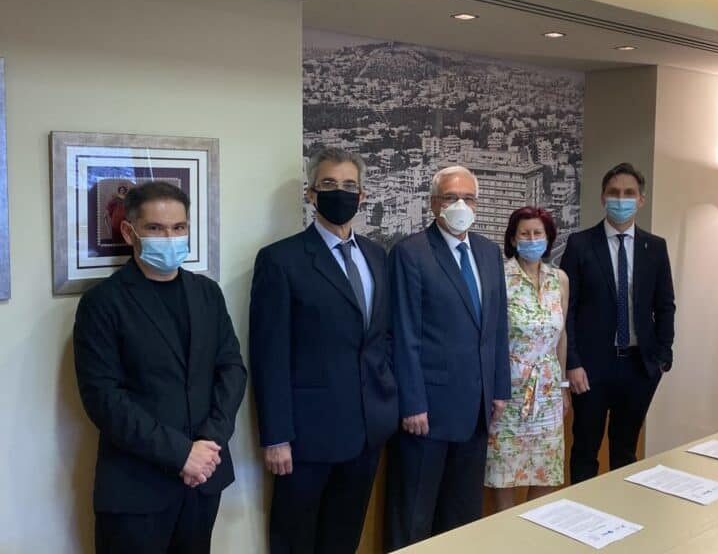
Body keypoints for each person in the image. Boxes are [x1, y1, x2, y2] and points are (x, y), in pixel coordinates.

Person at [74, 181, 247, 554]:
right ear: (129, 232)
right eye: (155, 228)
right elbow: (104, 399)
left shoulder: (207, 293)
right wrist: (181, 454)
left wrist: (209, 444)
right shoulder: (102, 303)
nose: (170, 238)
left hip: (204, 479)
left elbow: (232, 370)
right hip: (136, 489)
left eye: (178, 227)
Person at [249, 146, 398, 554]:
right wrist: (276, 437)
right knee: (295, 541)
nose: (340, 192)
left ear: (362, 195)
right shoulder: (281, 260)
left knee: (344, 539)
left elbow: (381, 337)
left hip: (367, 430)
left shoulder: (376, 256)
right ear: (311, 193)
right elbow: (269, 356)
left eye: (350, 185)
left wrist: (388, 401)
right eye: (329, 184)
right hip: (307, 437)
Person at [384, 165, 511, 550]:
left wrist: (499, 389)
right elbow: (403, 333)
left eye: (468, 198)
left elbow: (497, 327)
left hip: (476, 412)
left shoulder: (489, 252)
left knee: (462, 517)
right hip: (427, 413)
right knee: (414, 519)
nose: (461, 206)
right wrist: (412, 403)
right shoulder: (411, 253)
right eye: (451, 197)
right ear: (433, 203)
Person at [560, 162, 675, 482]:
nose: (621, 199)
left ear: (641, 199)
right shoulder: (580, 244)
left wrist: (663, 356)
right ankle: (582, 511)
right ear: (603, 198)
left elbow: (665, 306)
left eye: (628, 193)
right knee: (585, 450)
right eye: (614, 193)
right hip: (590, 369)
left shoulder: (655, 247)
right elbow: (566, 310)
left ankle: (621, 510)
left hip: (639, 367)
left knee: (626, 453)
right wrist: (572, 363)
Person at [485, 207, 570, 510]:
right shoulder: (499, 277)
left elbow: (561, 335)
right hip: (509, 389)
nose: (532, 239)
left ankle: (530, 530)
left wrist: (563, 387)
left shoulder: (559, 279)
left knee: (546, 471)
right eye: (525, 233)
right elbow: (491, 337)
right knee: (504, 472)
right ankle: (505, 532)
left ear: (548, 238)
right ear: (513, 238)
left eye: (538, 233)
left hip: (547, 390)